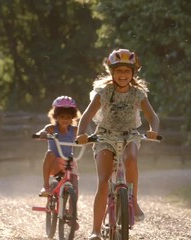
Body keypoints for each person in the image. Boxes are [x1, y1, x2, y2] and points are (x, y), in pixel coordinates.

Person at [75, 48, 160, 240]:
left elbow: (152, 116)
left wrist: (154, 130)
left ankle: (134, 201)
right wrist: (81, 134)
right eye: (119, 71)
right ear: (112, 72)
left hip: (129, 135)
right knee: (104, 180)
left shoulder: (138, 94)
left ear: (133, 73)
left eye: (127, 71)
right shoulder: (104, 92)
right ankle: (95, 230)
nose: (123, 75)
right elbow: (87, 115)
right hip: (105, 136)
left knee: (131, 159)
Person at [36, 96, 81, 197]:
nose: (65, 120)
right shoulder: (51, 128)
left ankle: (72, 211)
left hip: (69, 162)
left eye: (68, 117)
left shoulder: (74, 130)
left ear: (73, 117)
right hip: (54, 162)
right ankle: (46, 186)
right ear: (56, 116)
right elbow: (42, 132)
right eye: (62, 117)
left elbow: (83, 135)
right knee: (50, 153)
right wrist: (42, 134)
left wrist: (87, 139)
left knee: (75, 190)